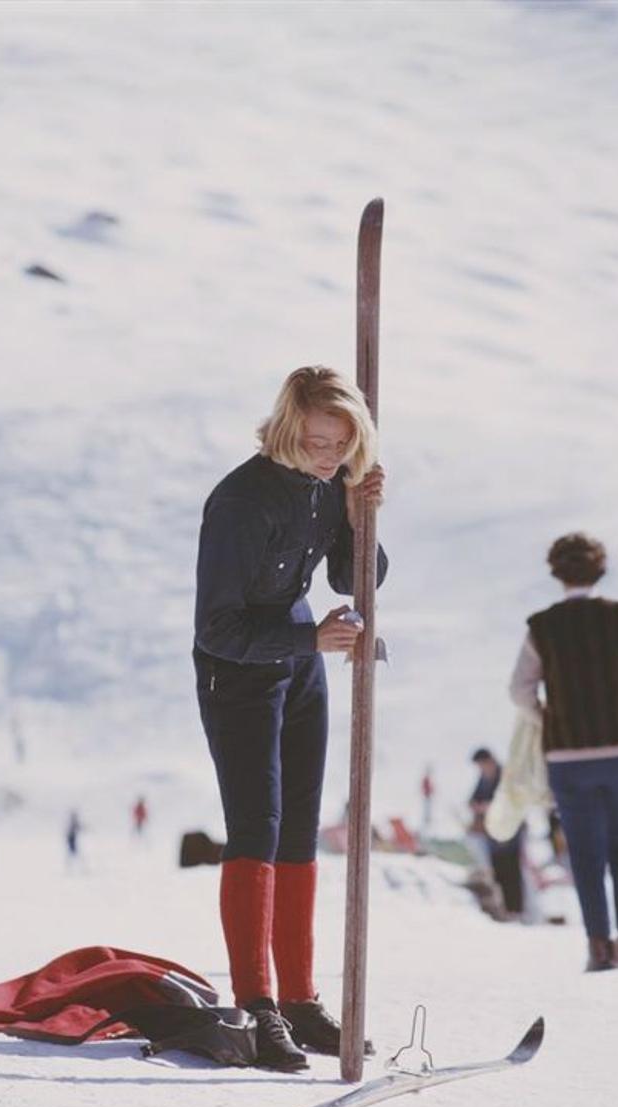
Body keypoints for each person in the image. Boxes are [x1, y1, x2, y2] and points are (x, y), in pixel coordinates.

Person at [193, 365, 387, 1070]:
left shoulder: (329, 486)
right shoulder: (239, 502)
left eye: (339, 443)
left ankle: (301, 1003)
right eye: (315, 442)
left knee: (300, 827)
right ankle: (258, 1006)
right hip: (238, 669)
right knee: (258, 826)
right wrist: (308, 639)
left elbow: (348, 576)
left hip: (302, 658)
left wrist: (361, 517)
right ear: (286, 428)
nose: (328, 454)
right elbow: (216, 626)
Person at [509, 533, 618, 971]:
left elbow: (519, 690)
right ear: (601, 570)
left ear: (556, 573)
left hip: (568, 756)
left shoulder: (541, 626)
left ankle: (598, 948)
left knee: (586, 853)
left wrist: (546, 717)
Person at [468, 747, 525, 918]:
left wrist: (489, 806)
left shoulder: (505, 777)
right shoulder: (483, 779)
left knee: (512, 870)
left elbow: (513, 800)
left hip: (509, 830)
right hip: (492, 833)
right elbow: (473, 799)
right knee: (498, 870)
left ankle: (516, 910)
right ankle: (504, 909)